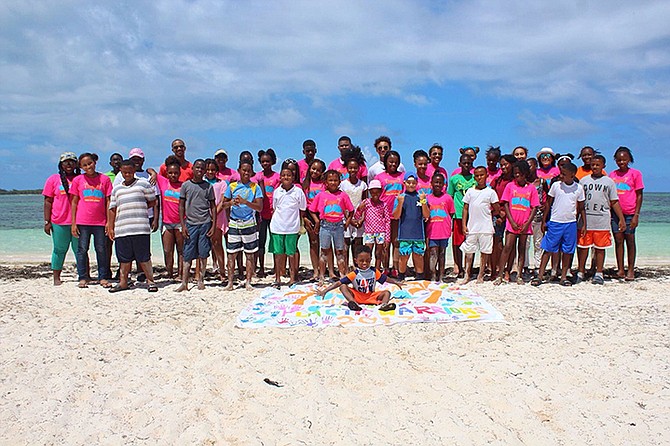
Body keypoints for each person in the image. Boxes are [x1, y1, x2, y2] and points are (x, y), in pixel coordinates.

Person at [107, 160, 158, 293]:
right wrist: (111, 227)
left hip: (140, 228)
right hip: (122, 229)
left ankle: (151, 282)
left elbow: (153, 201)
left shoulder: (143, 184)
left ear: (134, 171)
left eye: (130, 172)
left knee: (144, 257)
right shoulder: (117, 189)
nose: (127, 174)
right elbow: (112, 208)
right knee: (124, 259)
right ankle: (123, 282)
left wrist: (138, 208)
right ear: (121, 172)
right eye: (124, 172)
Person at [532, 162, 586, 287]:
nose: (561, 176)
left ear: (572, 175)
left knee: (567, 251)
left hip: (570, 223)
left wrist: (584, 224)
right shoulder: (556, 186)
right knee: (548, 248)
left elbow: (582, 208)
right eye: (560, 173)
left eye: (564, 174)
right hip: (555, 222)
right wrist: (544, 220)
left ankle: (563, 277)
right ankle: (540, 275)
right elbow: (548, 204)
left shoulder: (579, 188)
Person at [576, 155, 626, 285]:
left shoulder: (609, 182)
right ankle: (581, 271)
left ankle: (599, 272)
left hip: (602, 221)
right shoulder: (584, 181)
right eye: (593, 165)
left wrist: (621, 218)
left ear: (603, 166)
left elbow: (614, 202)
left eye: (598, 165)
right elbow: (578, 202)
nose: (595, 167)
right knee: (583, 247)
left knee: (600, 248)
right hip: (585, 221)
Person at [315, 245, 403, 312]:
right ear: (356, 260)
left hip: (371, 296)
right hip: (357, 296)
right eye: (361, 261)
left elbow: (386, 278)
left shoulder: (374, 271)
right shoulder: (354, 274)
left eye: (367, 261)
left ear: (371, 259)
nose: (365, 263)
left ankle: (384, 306)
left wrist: (395, 283)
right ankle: (353, 303)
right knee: (343, 287)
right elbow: (339, 283)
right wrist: (325, 291)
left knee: (387, 293)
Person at [70, 152, 113, 288]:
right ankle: (83, 277)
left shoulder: (104, 179)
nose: (88, 166)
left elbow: (108, 201)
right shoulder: (78, 180)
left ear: (94, 162)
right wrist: (73, 223)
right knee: (82, 250)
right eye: (84, 165)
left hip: (100, 222)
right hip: (83, 222)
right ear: (81, 167)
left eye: (90, 163)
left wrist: (109, 222)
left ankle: (103, 277)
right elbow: (74, 202)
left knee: (101, 249)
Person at [494, 160, 539, 285]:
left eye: (519, 173)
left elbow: (534, 207)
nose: (517, 176)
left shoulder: (531, 188)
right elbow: (506, 204)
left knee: (522, 248)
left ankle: (519, 274)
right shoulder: (510, 186)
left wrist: (527, 223)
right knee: (507, 247)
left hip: (525, 223)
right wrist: (511, 221)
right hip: (512, 223)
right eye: (515, 174)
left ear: (525, 173)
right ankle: (500, 275)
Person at [176, 159, 216, 292]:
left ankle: (201, 279)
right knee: (187, 254)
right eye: (197, 167)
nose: (199, 170)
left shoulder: (208, 187)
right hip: (191, 224)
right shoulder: (186, 186)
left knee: (203, 253)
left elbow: (213, 206)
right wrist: (183, 224)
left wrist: (213, 225)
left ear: (205, 171)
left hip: (205, 223)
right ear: (192, 169)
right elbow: (181, 206)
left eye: (202, 168)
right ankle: (184, 282)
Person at [223, 161, 263, 290]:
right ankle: (230, 283)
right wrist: (231, 203)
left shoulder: (255, 187)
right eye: (244, 170)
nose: (246, 173)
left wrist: (246, 202)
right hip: (234, 223)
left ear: (251, 172)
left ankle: (248, 281)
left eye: (248, 171)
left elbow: (260, 207)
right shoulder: (232, 186)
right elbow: (223, 205)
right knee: (231, 254)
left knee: (250, 254)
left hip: (249, 223)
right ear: (239, 171)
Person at [309, 169, 354, 283]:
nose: (333, 183)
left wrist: (347, 223)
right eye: (330, 180)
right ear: (326, 182)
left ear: (339, 182)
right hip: (325, 226)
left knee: (340, 251)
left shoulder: (343, 195)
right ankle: (322, 276)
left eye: (335, 180)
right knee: (324, 251)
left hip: (339, 226)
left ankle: (342, 275)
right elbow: (312, 210)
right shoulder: (321, 195)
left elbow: (351, 210)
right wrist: (317, 221)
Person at [43, 152, 80, 285]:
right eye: (66, 162)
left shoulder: (81, 178)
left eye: (71, 161)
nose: (68, 164)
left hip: (79, 222)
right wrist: (47, 221)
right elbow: (48, 201)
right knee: (59, 249)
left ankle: (83, 275)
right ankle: (56, 277)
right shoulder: (53, 179)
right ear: (61, 164)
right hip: (59, 221)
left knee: (80, 250)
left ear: (76, 164)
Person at [609, 146, 644, 281]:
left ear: (629, 159)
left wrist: (636, 215)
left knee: (630, 240)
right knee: (618, 241)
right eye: (618, 160)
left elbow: (639, 195)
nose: (621, 162)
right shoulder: (612, 175)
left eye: (624, 159)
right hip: (615, 214)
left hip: (630, 213)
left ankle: (630, 270)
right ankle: (620, 269)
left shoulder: (635, 174)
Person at [460, 166, 500, 284]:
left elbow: (497, 209)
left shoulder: (491, 192)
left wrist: (489, 213)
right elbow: (465, 208)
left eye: (481, 175)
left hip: (486, 227)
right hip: (472, 227)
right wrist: (463, 224)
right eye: (477, 176)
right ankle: (467, 274)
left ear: (486, 175)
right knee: (469, 251)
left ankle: (480, 275)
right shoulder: (470, 192)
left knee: (484, 252)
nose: (479, 178)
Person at [270, 167, 307, 288]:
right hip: (277, 227)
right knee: (278, 254)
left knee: (291, 254)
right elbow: (275, 207)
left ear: (293, 177)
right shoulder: (277, 192)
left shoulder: (298, 192)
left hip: (292, 228)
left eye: (289, 175)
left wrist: (298, 223)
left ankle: (292, 278)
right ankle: (277, 278)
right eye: (283, 175)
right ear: (280, 177)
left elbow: (302, 209)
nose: (286, 177)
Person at [393, 172, 430, 280]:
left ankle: (419, 276)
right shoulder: (401, 197)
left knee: (418, 256)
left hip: (418, 234)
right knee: (403, 256)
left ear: (417, 183)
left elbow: (426, 215)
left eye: (413, 183)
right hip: (404, 234)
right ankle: (401, 276)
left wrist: (423, 201)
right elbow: (396, 216)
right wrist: (400, 203)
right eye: (408, 182)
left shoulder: (420, 197)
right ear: (404, 183)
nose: (411, 185)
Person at [375, 150, 405, 276]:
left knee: (396, 241)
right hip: (383, 214)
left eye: (396, 162)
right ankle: (385, 267)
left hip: (399, 213)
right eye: (390, 162)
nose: (393, 164)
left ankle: (396, 267)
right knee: (385, 242)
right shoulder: (379, 177)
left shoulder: (403, 176)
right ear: (386, 162)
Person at [447, 154, 476, 278]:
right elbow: (450, 196)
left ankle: (469, 268)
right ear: (460, 164)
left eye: (469, 163)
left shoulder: (475, 179)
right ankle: (459, 267)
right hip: (458, 215)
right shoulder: (454, 179)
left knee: (471, 242)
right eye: (464, 163)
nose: (466, 165)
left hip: (473, 215)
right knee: (457, 243)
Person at [155, 155, 184, 280]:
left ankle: (181, 273)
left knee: (181, 251)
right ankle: (170, 272)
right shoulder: (163, 182)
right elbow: (151, 171)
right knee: (167, 250)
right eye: (170, 173)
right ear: (167, 173)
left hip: (180, 223)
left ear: (179, 173)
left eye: (175, 173)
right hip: (166, 223)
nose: (173, 175)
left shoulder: (184, 186)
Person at [353, 180, 390, 272]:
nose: (375, 194)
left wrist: (387, 238)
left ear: (381, 192)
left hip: (381, 232)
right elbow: (357, 216)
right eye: (372, 192)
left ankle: (377, 271)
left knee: (379, 253)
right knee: (367, 252)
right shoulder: (366, 203)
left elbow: (387, 221)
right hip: (369, 232)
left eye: (377, 192)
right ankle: (366, 270)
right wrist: (359, 209)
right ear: (369, 192)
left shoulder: (383, 204)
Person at [489, 154, 516, 280]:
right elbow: (491, 197)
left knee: (510, 245)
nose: (504, 167)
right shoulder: (497, 180)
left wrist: (506, 214)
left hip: (513, 215)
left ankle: (507, 270)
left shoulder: (515, 181)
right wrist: (498, 212)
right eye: (502, 164)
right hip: (497, 214)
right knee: (497, 243)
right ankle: (495, 269)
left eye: (506, 164)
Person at [255, 149, 281, 278]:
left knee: (275, 241)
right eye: (263, 161)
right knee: (261, 242)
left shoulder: (277, 177)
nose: (265, 163)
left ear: (272, 162)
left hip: (274, 214)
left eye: (268, 161)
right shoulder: (257, 176)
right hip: (260, 214)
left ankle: (277, 268)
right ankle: (261, 268)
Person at [427, 172, 456, 282]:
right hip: (432, 231)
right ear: (431, 184)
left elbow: (451, 213)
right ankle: (433, 274)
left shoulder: (448, 198)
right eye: (436, 182)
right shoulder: (428, 198)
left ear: (444, 184)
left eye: (440, 183)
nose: (438, 185)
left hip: (444, 230)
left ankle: (441, 275)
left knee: (442, 253)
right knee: (433, 253)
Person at [340, 156, 367, 269]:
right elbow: (341, 203)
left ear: (358, 169)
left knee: (358, 243)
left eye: (355, 168)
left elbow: (366, 202)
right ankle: (345, 268)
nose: (353, 170)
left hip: (359, 218)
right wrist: (350, 219)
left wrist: (362, 218)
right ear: (347, 168)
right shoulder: (343, 185)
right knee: (345, 243)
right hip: (346, 218)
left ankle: (358, 267)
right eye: (350, 168)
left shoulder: (363, 185)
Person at [302, 159, 327, 280]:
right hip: (309, 215)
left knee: (324, 244)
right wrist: (305, 218)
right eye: (313, 168)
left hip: (322, 216)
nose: (315, 171)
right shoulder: (305, 183)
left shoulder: (324, 184)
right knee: (313, 242)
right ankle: (315, 270)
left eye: (318, 170)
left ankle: (324, 269)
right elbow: (302, 203)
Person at [205, 158, 228, 282]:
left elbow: (223, 201)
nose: (210, 172)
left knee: (217, 244)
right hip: (202, 217)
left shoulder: (222, 183)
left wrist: (213, 214)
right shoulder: (201, 183)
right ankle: (200, 272)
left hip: (218, 217)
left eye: (213, 170)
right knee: (201, 245)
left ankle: (222, 271)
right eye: (208, 169)